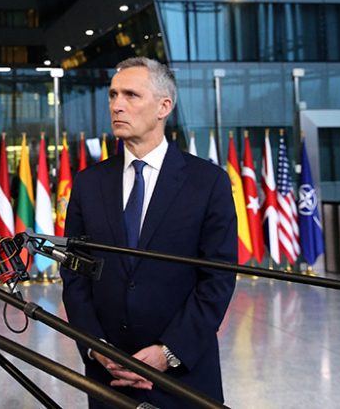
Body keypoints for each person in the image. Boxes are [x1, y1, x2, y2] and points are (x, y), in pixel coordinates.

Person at [62, 57, 237, 409]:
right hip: (107, 377)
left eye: (130, 95)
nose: (116, 105)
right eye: (113, 95)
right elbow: (74, 274)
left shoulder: (208, 182)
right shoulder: (88, 183)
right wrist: (94, 346)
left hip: (182, 376)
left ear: (164, 106)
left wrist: (168, 352)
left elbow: (217, 278)